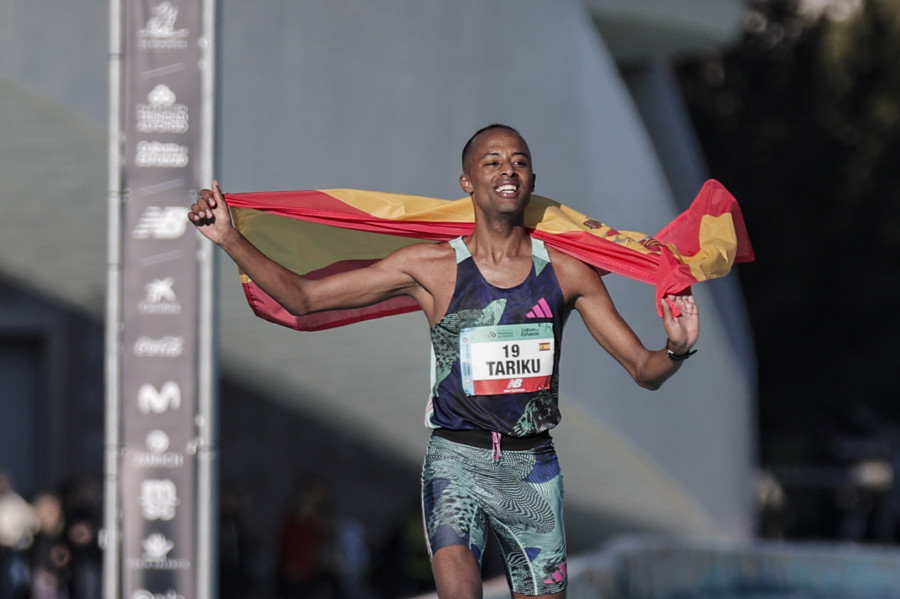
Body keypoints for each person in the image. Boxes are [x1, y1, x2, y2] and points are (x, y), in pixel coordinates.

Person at [189, 124, 700, 599]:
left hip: (533, 469)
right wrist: (231, 238)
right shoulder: (430, 267)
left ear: (532, 180)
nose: (508, 171)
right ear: (467, 182)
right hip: (456, 461)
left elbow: (642, 369)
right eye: (493, 162)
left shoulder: (568, 273)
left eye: (519, 162)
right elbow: (303, 297)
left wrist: (675, 348)